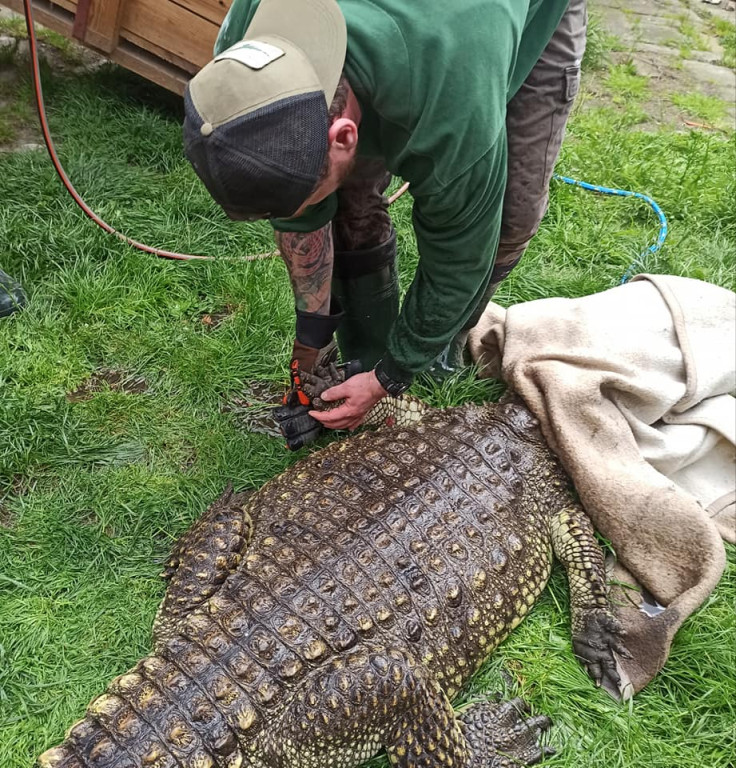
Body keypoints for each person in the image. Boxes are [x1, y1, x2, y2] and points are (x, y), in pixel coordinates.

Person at [183, 0, 587, 447]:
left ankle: (435, 354)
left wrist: (391, 376)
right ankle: (365, 351)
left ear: (344, 136)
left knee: (511, 217)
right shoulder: (246, 49)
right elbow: (301, 209)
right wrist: (310, 345)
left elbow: (460, 257)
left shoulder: (450, 106)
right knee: (348, 203)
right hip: (416, 51)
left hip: (506, 20)